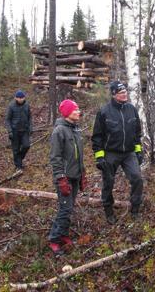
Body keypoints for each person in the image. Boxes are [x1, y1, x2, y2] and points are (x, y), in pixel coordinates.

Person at [92, 81, 143, 224]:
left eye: (125, 92)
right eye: (121, 93)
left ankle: (135, 210)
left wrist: (138, 151)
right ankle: (109, 211)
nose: (124, 94)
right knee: (108, 182)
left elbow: (137, 133)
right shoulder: (104, 111)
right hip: (111, 153)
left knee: (137, 179)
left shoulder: (132, 109)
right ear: (114, 95)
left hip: (129, 152)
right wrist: (99, 157)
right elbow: (97, 137)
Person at [48, 100, 87, 255]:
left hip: (75, 175)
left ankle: (63, 234)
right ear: (68, 113)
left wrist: (82, 173)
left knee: (69, 208)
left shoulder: (76, 129)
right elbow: (55, 157)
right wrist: (60, 177)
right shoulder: (59, 131)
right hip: (64, 177)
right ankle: (54, 239)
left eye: (78, 109)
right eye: (76, 110)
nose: (79, 112)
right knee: (65, 209)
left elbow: (79, 155)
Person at [5, 90, 32, 171]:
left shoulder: (27, 105)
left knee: (26, 146)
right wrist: (10, 131)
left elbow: (29, 117)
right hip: (15, 131)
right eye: (18, 98)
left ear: (24, 98)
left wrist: (31, 127)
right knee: (15, 149)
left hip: (24, 130)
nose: (20, 99)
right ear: (15, 98)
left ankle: (19, 158)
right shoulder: (11, 106)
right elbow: (7, 120)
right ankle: (18, 166)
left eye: (22, 98)